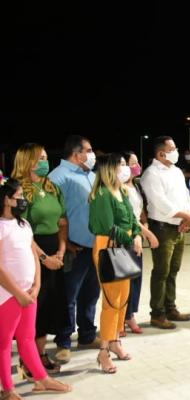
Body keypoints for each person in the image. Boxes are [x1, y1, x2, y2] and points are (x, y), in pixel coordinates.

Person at [0, 178, 72, 399]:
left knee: (27, 337)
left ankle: (41, 379)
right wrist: (18, 293)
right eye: (19, 197)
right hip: (8, 295)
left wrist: (36, 285)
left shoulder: (24, 224)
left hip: (29, 292)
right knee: (4, 342)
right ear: (6, 200)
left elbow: (33, 253)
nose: (23, 200)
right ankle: (8, 389)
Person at [11, 144, 69, 377]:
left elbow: (63, 221)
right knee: (36, 304)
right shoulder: (18, 191)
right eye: (39, 159)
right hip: (31, 251)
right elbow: (21, 231)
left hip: (56, 249)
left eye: (46, 157)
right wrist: (44, 258)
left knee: (50, 307)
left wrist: (62, 251)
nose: (45, 162)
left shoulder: (52, 187)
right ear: (26, 161)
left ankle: (39, 353)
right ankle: (28, 359)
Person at [48, 135, 101, 363]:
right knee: (68, 296)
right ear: (76, 153)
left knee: (91, 294)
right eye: (88, 150)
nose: (92, 155)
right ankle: (63, 341)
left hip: (95, 246)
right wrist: (65, 243)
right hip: (74, 248)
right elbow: (53, 214)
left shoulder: (91, 175)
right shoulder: (58, 177)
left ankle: (87, 334)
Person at [88, 154, 142, 373]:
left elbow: (132, 218)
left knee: (123, 299)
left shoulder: (121, 191)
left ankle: (115, 340)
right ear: (109, 169)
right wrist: (131, 239)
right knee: (111, 301)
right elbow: (107, 226)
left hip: (125, 246)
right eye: (120, 164)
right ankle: (103, 351)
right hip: (108, 247)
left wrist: (137, 234)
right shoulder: (101, 195)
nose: (125, 168)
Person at [141, 136, 190, 329]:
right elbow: (159, 202)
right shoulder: (151, 174)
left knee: (173, 270)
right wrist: (185, 216)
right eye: (173, 148)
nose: (177, 151)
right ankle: (157, 313)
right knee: (161, 272)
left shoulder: (177, 171)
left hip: (180, 226)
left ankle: (170, 307)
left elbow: (185, 196)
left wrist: (187, 216)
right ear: (161, 153)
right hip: (163, 228)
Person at [120, 151, 159, 336]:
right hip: (126, 237)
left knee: (136, 279)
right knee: (124, 279)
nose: (137, 166)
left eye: (137, 162)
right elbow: (128, 217)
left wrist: (145, 227)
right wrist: (146, 234)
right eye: (132, 163)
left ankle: (130, 314)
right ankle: (122, 316)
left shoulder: (135, 186)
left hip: (138, 237)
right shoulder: (119, 189)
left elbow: (141, 214)